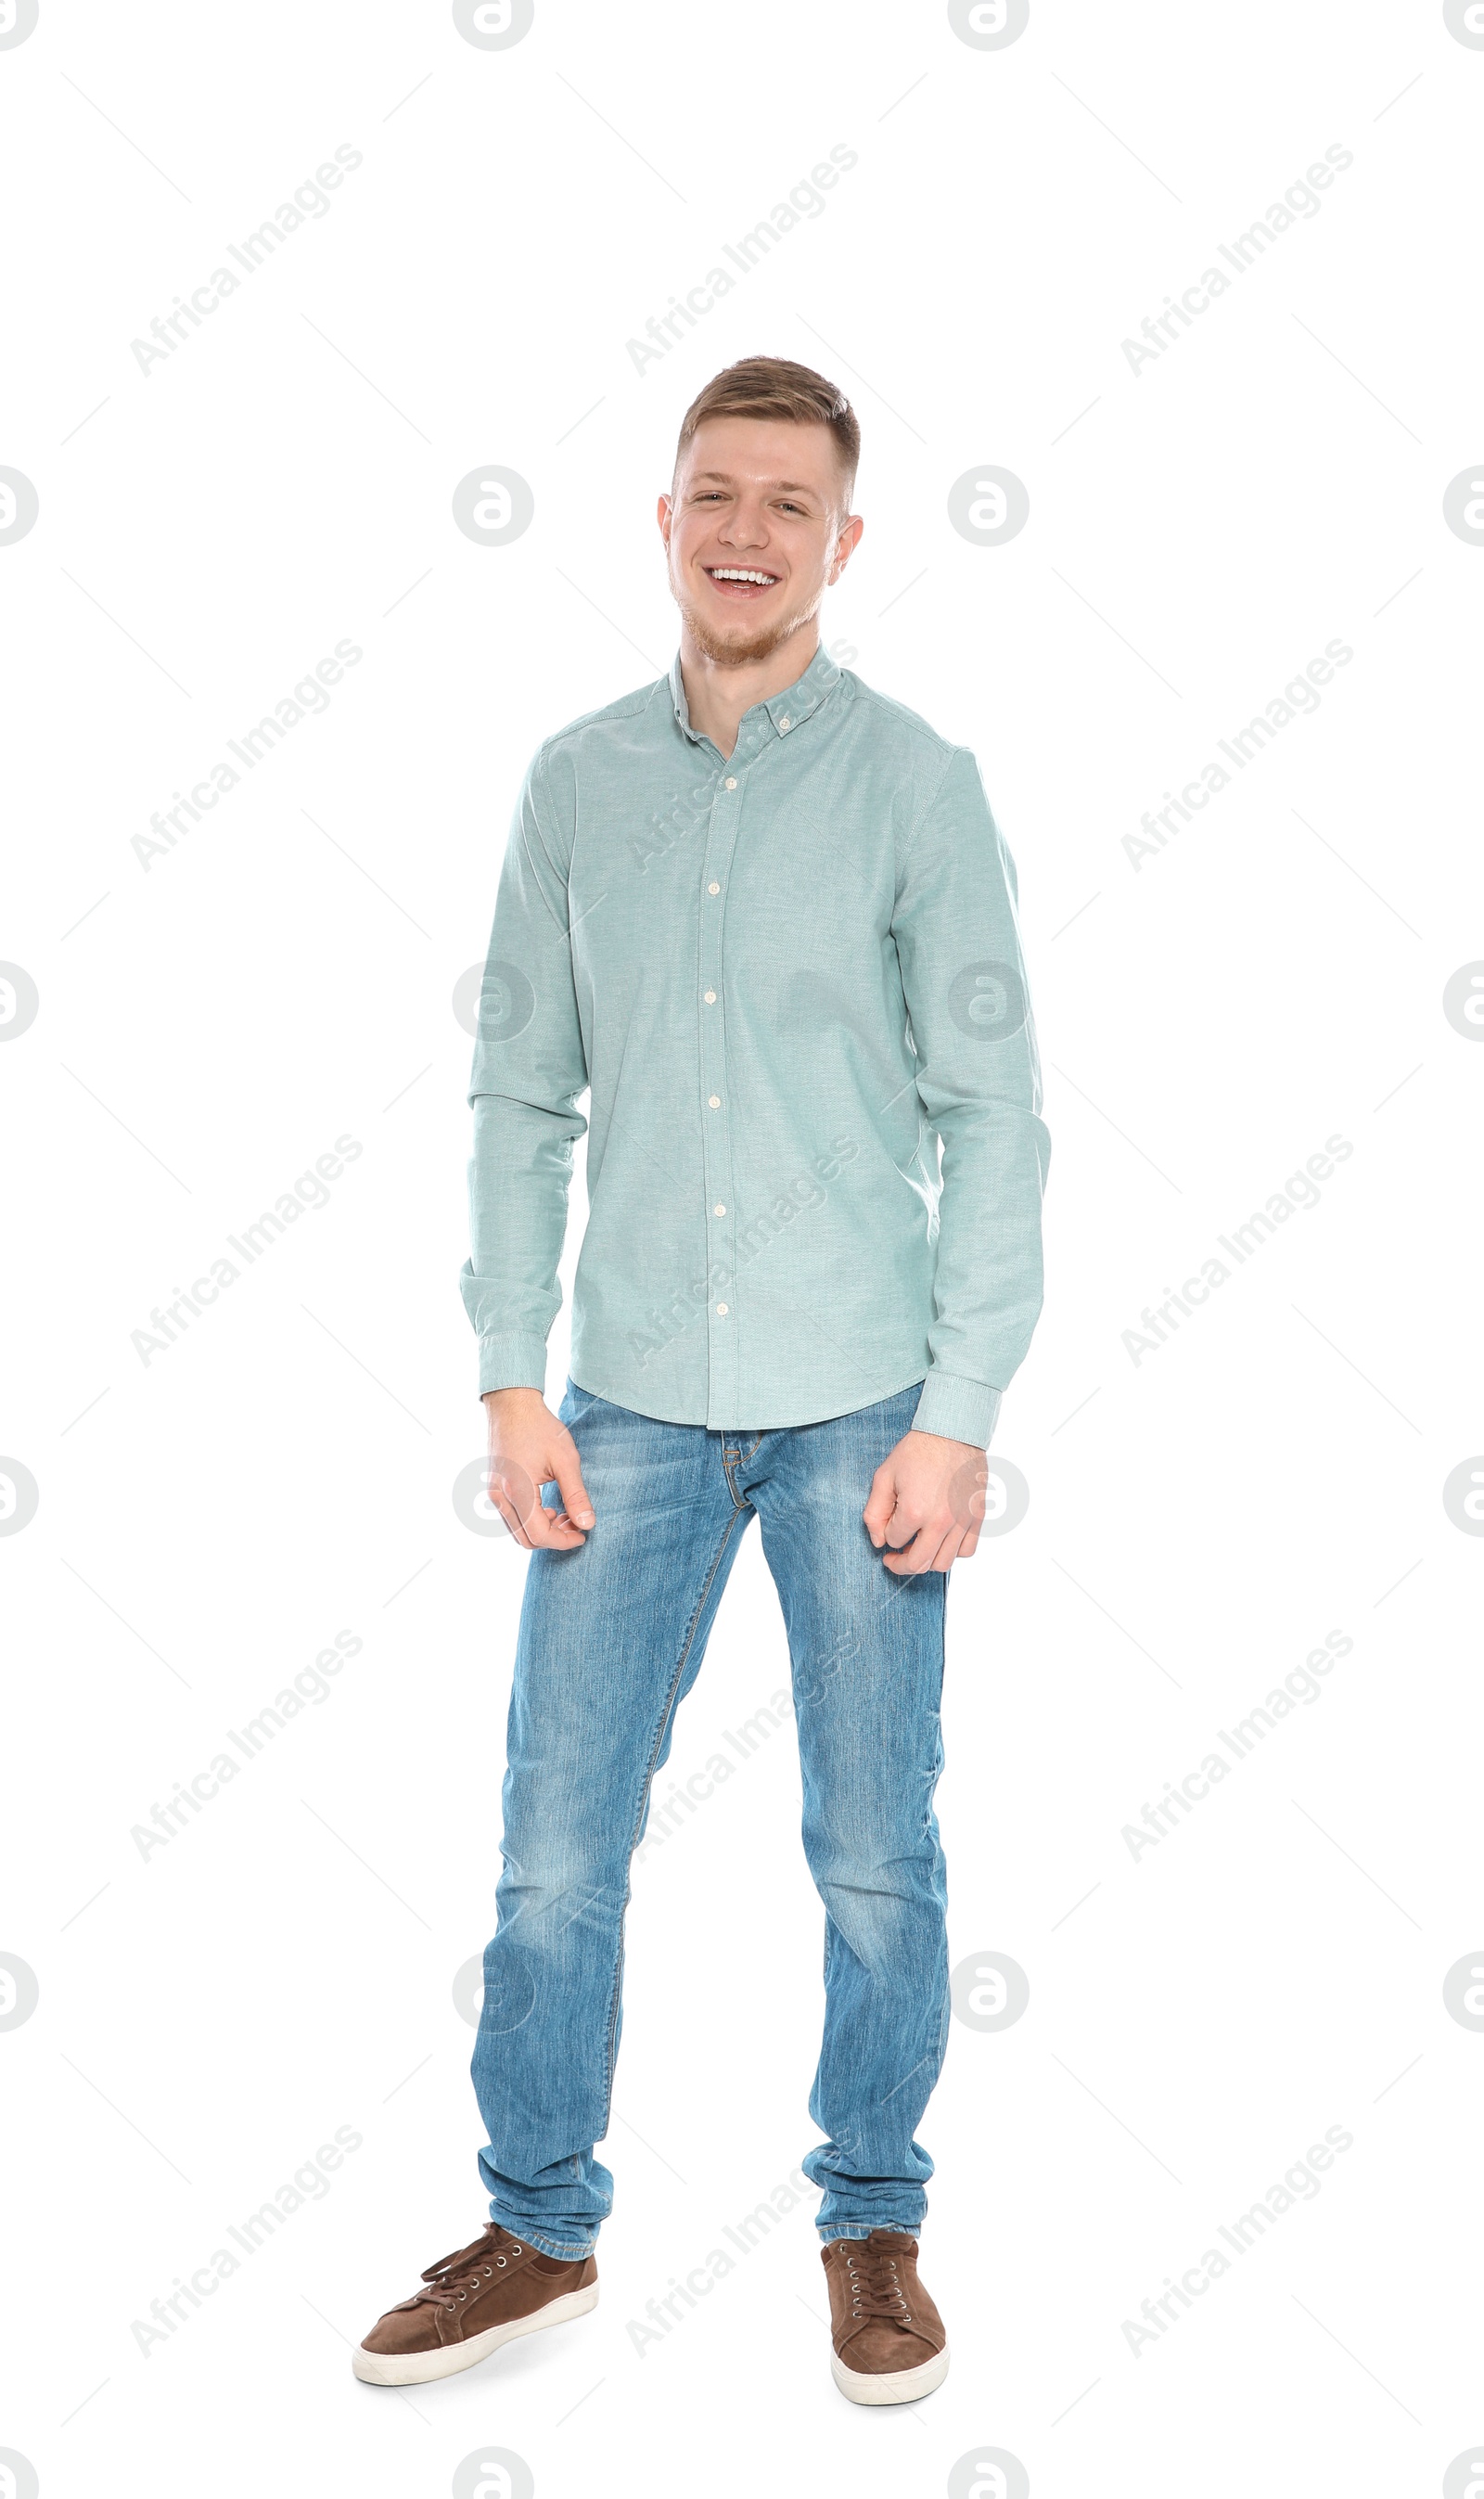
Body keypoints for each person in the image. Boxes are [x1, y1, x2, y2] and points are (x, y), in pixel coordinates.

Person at [354, 355, 1050, 2404]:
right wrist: (503, 1372)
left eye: (786, 501)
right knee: (554, 1840)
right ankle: (538, 2230)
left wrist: (959, 1409)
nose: (745, 530)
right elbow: (515, 1090)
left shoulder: (919, 784)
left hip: (863, 1400)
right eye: (710, 493)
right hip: (629, 1396)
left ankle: (870, 2224)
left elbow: (991, 1110)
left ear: (845, 539)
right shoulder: (576, 782)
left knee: (868, 1845)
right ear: (663, 519)